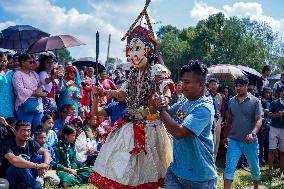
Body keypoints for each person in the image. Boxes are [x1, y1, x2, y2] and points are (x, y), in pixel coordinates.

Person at [89, 25, 173, 188]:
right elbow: (121, 94)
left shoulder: (156, 69)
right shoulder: (133, 74)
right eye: (131, 49)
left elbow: (166, 86)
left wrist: (165, 98)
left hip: (150, 127)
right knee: (123, 166)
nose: (134, 54)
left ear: (148, 50)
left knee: (147, 172)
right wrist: (103, 92)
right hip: (130, 124)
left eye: (138, 48)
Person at [154, 61, 217, 189]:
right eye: (182, 81)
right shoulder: (185, 102)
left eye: (187, 82)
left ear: (201, 84)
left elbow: (179, 132)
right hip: (176, 171)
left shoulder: (204, 108)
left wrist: (160, 109)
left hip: (200, 178)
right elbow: (168, 113)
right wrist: (161, 100)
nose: (183, 85)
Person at [223, 76, 263, 189]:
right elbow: (229, 120)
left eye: (240, 86)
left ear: (246, 86)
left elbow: (259, 119)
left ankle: (256, 186)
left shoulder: (255, 101)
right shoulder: (231, 101)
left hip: (250, 141)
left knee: (254, 167)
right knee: (229, 167)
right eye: (236, 86)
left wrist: (253, 133)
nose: (238, 88)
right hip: (234, 140)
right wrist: (225, 136)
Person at [2, 121, 51, 189]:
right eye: (23, 130)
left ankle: (33, 182)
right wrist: (38, 166)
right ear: (15, 132)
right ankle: (35, 186)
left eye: (28, 130)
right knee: (19, 164)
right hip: (11, 177)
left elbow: (46, 152)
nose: (26, 133)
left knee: (41, 157)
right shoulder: (7, 145)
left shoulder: (31, 142)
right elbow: (14, 161)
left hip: (27, 173)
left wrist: (45, 164)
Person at [12, 54, 46, 130]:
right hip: (24, 105)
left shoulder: (34, 73)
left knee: (39, 129)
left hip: (38, 105)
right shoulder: (17, 74)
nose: (33, 64)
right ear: (22, 62)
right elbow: (20, 90)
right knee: (25, 130)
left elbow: (40, 85)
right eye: (30, 62)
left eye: (34, 62)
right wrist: (35, 93)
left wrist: (41, 90)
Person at [268, 86, 284, 180]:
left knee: (283, 152)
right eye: (282, 92)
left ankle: (282, 172)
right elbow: (269, 115)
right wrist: (276, 115)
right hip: (274, 128)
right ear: (279, 93)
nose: (283, 94)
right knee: (271, 150)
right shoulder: (274, 102)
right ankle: (270, 169)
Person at [207, 78, 223, 161]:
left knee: (217, 141)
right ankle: (209, 160)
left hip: (218, 119)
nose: (213, 86)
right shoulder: (206, 95)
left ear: (218, 85)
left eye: (215, 84)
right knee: (211, 140)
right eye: (212, 84)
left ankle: (214, 160)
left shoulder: (219, 96)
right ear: (209, 85)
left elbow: (220, 109)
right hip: (209, 119)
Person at [0, 52, 14, 118]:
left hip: (10, 102)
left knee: (9, 124)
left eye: (5, 61)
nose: (3, 63)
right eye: (0, 61)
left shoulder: (11, 73)